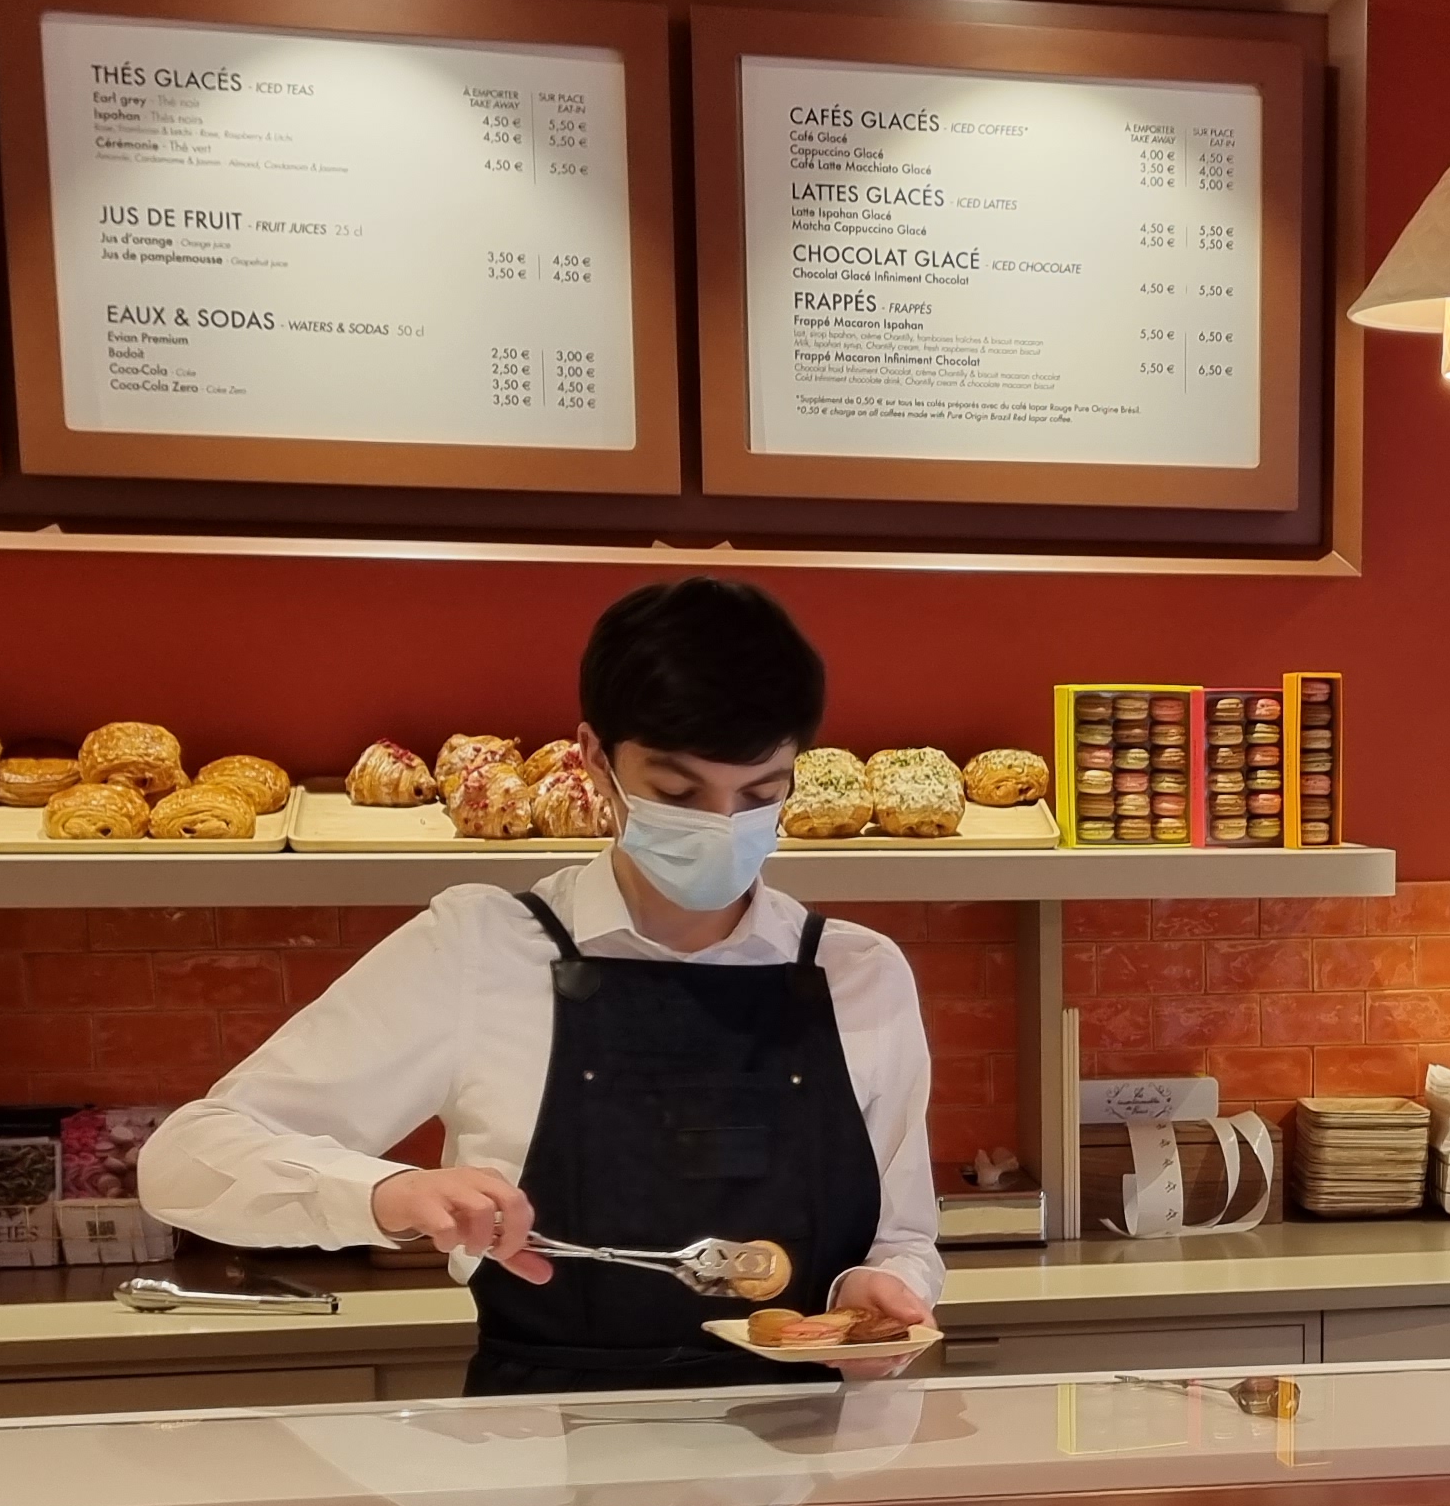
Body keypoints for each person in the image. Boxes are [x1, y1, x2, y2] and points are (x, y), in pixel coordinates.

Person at [138, 576, 942, 1393]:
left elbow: (903, 1235)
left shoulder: (858, 974)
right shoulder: (481, 948)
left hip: (812, 1447)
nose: (720, 825)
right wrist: (390, 1193)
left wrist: (876, 1293)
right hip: (548, 1452)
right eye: (678, 793)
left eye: (760, 794)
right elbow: (186, 1159)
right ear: (595, 759)